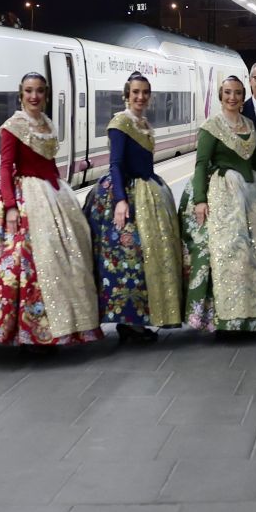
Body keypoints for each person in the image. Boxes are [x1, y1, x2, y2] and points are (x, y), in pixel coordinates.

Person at [0, 72, 103, 346]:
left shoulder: (47, 124)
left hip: (53, 192)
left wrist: (61, 192)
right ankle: (29, 332)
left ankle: (62, 327)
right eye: (29, 91)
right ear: (21, 94)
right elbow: (6, 167)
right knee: (28, 264)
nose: (34, 96)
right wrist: (9, 206)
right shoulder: (12, 126)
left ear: (45, 94)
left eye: (40, 91)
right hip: (25, 196)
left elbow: (50, 164)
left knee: (68, 256)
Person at [82, 72, 185, 342]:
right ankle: (128, 321)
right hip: (126, 195)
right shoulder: (120, 123)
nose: (140, 97)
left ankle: (139, 319)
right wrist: (120, 201)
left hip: (148, 192)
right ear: (126, 95)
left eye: (145, 93)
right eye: (135, 92)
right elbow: (115, 163)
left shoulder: (143, 123)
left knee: (143, 260)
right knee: (128, 260)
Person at [179, 75, 256, 333]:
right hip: (224, 194)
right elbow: (201, 164)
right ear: (220, 96)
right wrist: (200, 200)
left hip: (253, 194)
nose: (232, 97)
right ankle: (226, 317)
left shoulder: (248, 124)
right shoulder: (212, 126)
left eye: (236, 93)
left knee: (255, 254)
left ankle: (252, 314)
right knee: (230, 252)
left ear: (242, 97)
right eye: (227, 93)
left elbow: (255, 163)